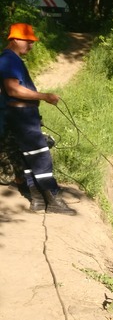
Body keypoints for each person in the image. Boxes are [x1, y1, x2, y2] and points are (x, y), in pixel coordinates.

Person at [0, 23, 75, 214]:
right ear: (16, 39)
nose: (31, 45)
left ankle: (38, 200)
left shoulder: (11, 59)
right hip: (22, 117)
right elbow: (13, 89)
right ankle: (54, 200)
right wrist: (44, 96)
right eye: (28, 41)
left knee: (29, 158)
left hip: (21, 116)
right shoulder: (9, 60)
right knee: (41, 157)